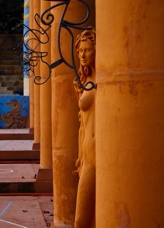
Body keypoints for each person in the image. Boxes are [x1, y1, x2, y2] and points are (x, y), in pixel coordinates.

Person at [73, 28, 96, 228]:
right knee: (84, 220)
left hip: (101, 153)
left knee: (84, 220)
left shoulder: (104, 79)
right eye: (80, 50)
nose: (82, 55)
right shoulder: (86, 81)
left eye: (87, 50)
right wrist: (80, 154)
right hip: (87, 154)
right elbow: (82, 123)